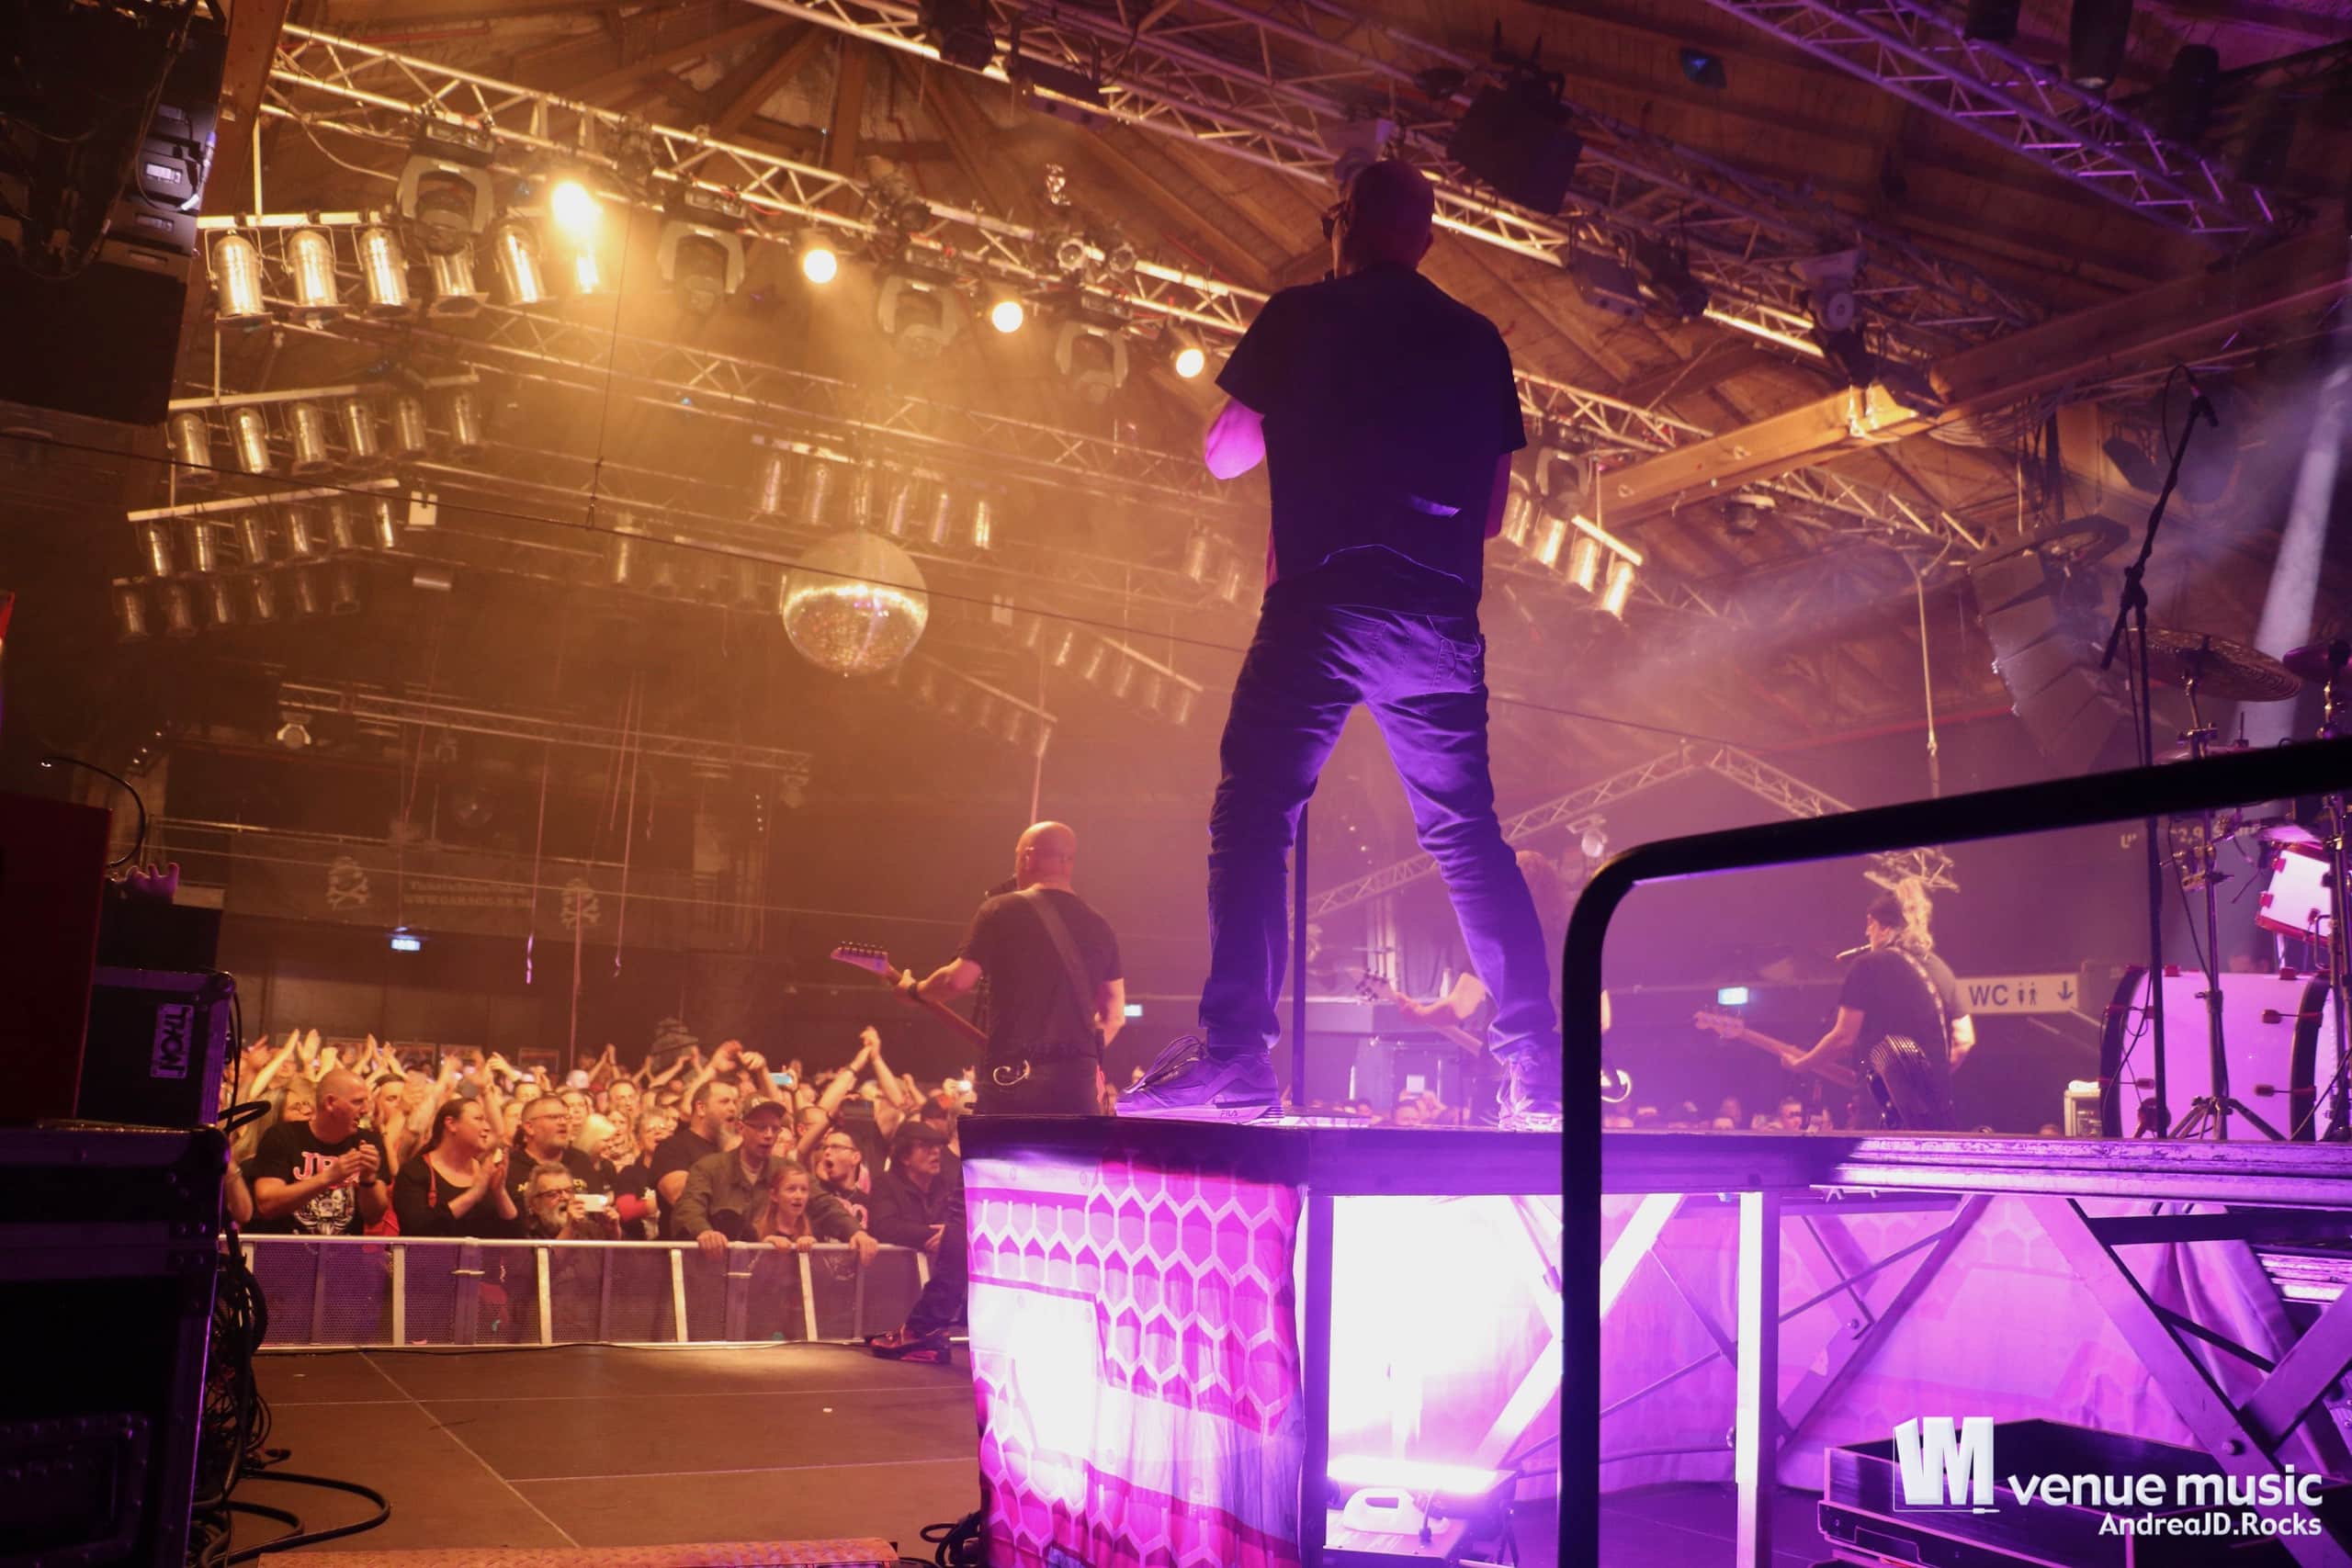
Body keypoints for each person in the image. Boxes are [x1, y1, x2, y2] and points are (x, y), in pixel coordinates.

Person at [1120, 158, 1559, 1131]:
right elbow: (1491, 514)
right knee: (1466, 836)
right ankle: (1536, 1067)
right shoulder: (1479, 338)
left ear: (1342, 225)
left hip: (1321, 601)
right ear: (1427, 239)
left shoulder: (1300, 315)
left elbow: (1223, 455)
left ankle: (1237, 1057)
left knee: (1254, 816)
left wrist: (1306, 411)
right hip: (1436, 617)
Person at [900, 821, 1124, 1114]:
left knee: (1004, 1147)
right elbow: (1114, 1016)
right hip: (1077, 1089)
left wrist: (914, 990)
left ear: (1029, 857)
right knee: (1068, 1148)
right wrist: (1083, 1062)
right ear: (1068, 862)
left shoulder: (1000, 909)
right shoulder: (1100, 926)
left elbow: (957, 981)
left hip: (1013, 1081)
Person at [1786, 891, 1957, 1131]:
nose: (1867, 933)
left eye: (1870, 924)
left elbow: (1843, 1038)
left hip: (1883, 1112)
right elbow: (1964, 1041)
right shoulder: (1940, 969)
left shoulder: (1867, 965)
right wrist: (1925, 1084)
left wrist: (1801, 1064)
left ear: (1882, 927)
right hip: (1936, 1116)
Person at [865, 1122, 966, 1362]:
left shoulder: (945, 1184)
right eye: (925, 1147)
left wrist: (950, 1235)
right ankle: (914, 1332)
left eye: (937, 1146)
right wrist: (946, 1237)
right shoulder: (886, 1184)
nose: (935, 1152)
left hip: (931, 1283)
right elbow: (884, 1226)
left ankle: (927, 1332)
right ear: (904, 1157)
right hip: (892, 1289)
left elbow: (953, 1226)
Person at [249, 1068, 392, 1235]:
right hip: (289, 1250)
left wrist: (368, 1180)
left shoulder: (369, 1141)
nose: (366, 1110)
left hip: (344, 1251)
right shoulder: (283, 1136)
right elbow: (267, 1205)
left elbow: (374, 1217)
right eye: (357, 1102)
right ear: (330, 1103)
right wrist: (328, 1177)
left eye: (366, 1101)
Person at [391, 1099, 519, 1238]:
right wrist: (473, 1194)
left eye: (486, 1121)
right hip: (433, 1253)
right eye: (478, 1119)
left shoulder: (486, 1172)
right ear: (451, 1124)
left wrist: (499, 1192)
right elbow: (416, 1227)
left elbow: (515, 1235)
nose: (487, 1127)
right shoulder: (415, 1171)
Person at [503, 1095, 619, 1215]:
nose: (563, 1122)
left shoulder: (580, 1160)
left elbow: (595, 1211)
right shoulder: (510, 1167)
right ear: (530, 1127)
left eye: (566, 1117)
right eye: (554, 1117)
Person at [650, 1079, 739, 1237]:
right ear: (701, 1108)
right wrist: (726, 1159)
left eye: (735, 1102)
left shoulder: (737, 1150)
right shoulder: (672, 1147)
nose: (733, 1108)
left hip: (733, 1246)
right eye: (725, 1102)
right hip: (687, 1246)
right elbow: (678, 1195)